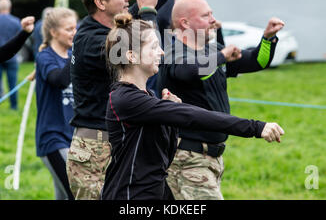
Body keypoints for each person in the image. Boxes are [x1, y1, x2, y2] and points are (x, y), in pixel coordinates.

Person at [66, 0, 202, 200]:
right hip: (96, 149)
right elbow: (145, 45)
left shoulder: (118, 27)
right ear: (101, 3)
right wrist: (150, 11)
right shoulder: (92, 39)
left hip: (122, 142)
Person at [100, 13, 284, 200]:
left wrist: (169, 115)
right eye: (154, 47)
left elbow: (162, 156)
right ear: (131, 56)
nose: (161, 52)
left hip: (154, 192)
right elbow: (191, 115)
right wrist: (255, 127)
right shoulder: (125, 99)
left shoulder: (148, 97)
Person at [157, 0, 285, 200]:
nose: (213, 20)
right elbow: (189, 72)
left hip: (210, 158)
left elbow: (256, 62)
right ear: (185, 23)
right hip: (188, 158)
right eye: (206, 15)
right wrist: (222, 57)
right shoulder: (173, 51)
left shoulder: (213, 51)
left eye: (212, 14)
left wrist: (268, 39)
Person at [35, 7, 78, 200]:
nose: (74, 33)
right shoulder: (45, 57)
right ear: (53, 32)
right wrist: (78, 53)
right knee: (76, 193)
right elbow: (58, 80)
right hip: (53, 138)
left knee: (63, 195)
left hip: (74, 137)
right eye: (69, 29)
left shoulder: (71, 56)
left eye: (75, 28)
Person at [0, 0, 23, 110]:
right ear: (9, 7)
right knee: (13, 83)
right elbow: (20, 39)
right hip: (12, 57)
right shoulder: (16, 21)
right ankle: (14, 106)